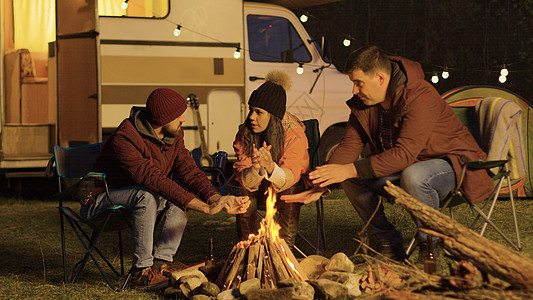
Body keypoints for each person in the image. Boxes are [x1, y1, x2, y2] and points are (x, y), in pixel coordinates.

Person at [281, 46, 494, 262]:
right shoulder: (366, 103)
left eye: (358, 83)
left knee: (414, 174)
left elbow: (404, 154)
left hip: (452, 164)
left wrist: (350, 169)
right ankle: (388, 243)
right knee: (350, 177)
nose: (354, 91)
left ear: (380, 78)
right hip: (405, 166)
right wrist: (322, 184)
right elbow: (349, 145)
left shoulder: (419, 95)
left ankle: (429, 246)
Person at [81, 88, 250, 287]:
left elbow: (188, 170)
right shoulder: (125, 138)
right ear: (162, 119)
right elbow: (152, 179)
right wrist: (204, 207)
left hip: (140, 197)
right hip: (100, 200)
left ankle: (161, 262)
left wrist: (214, 197)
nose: (184, 119)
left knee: (177, 197)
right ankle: (140, 272)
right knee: (148, 195)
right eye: (179, 115)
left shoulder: (173, 135)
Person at [231, 70, 310, 249]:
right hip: (257, 188)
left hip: (285, 188)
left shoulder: (294, 134)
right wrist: (257, 169)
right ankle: (248, 249)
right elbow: (245, 178)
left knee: (290, 190)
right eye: (251, 110)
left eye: (259, 112)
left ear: (273, 115)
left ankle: (283, 251)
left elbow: (290, 175)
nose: (252, 117)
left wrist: (270, 167)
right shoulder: (245, 133)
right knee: (242, 190)